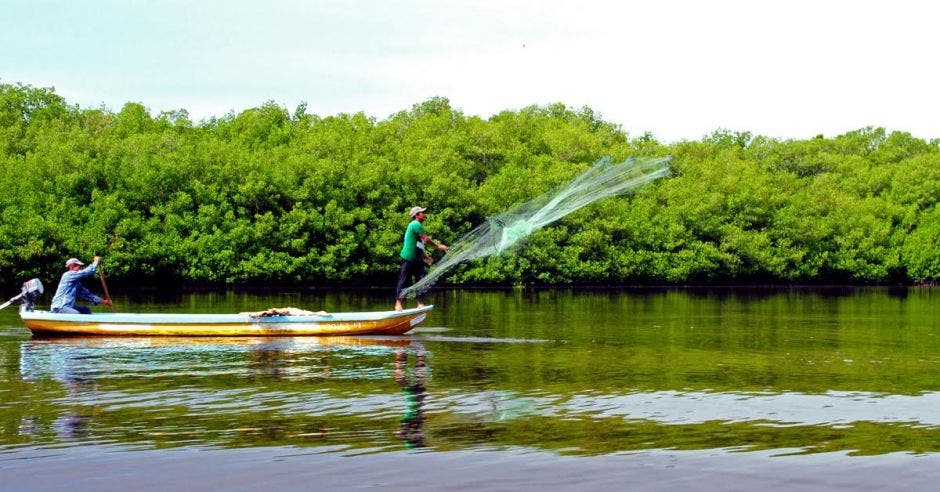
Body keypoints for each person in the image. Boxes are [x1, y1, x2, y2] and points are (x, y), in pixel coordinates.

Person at [394, 206, 447, 312]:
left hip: (417, 259)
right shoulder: (415, 224)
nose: (425, 214)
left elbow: (419, 245)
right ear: (417, 215)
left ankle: (420, 303)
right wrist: (438, 246)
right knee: (404, 280)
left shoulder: (418, 226)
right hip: (408, 257)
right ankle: (398, 303)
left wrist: (426, 257)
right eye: (423, 212)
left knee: (421, 280)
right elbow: (426, 240)